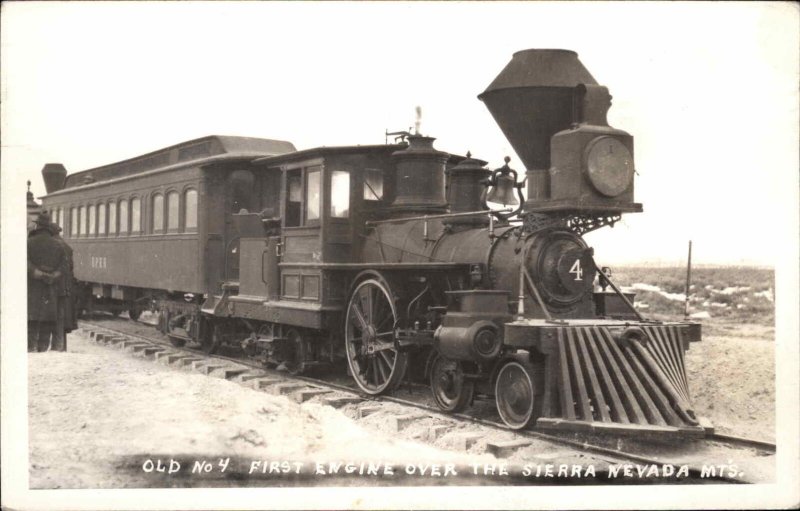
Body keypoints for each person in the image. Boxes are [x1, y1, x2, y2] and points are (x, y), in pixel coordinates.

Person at [28, 212, 66, 352]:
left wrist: (35, 272)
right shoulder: (58, 245)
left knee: (31, 321)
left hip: (32, 287)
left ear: (37, 225)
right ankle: (43, 349)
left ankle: (30, 348)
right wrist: (53, 275)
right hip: (50, 288)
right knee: (47, 320)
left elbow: (24, 263)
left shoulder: (28, 243)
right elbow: (63, 267)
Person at [49, 223, 76, 350]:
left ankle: (54, 347)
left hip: (53, 286)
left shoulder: (53, 245)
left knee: (53, 318)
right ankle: (60, 347)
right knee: (62, 319)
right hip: (65, 288)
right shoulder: (66, 246)